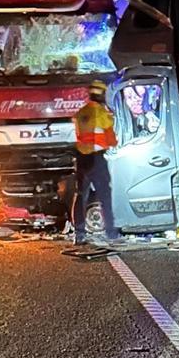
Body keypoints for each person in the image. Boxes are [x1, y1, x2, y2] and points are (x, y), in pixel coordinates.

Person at [71, 80, 120, 245]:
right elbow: (111, 139)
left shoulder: (81, 112)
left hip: (81, 158)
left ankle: (79, 233)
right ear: (102, 94)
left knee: (80, 196)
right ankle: (111, 233)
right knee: (105, 195)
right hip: (97, 158)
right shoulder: (101, 113)